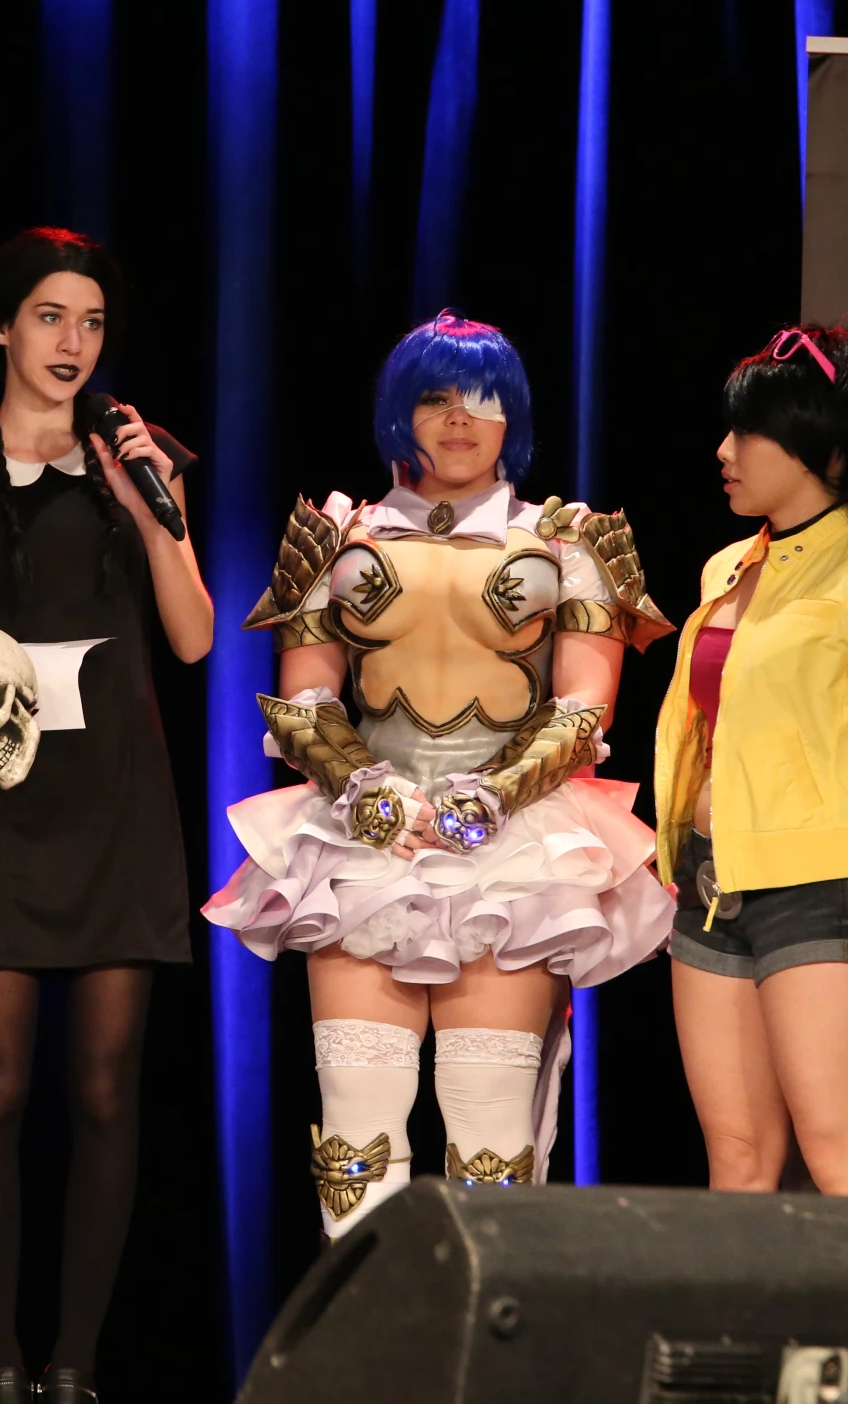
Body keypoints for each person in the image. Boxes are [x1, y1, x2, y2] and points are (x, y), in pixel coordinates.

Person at [205, 310, 674, 1237]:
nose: (461, 417)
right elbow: (301, 703)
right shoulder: (336, 536)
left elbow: (588, 707)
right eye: (435, 397)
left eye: (484, 398)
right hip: (359, 836)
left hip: (518, 842)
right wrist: (365, 790)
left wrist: (491, 794)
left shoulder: (569, 539)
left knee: (492, 1140)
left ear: (516, 417)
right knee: (355, 1134)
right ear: (398, 414)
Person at [0, 227, 213, 1404]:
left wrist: (148, 496)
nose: (71, 342)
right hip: (3, 798)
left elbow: (189, 636)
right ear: (2, 327)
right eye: (48, 317)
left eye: (88, 322)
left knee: (106, 1085)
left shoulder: (136, 458)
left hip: (119, 802)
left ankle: (75, 1361)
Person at [651, 324, 848, 1196]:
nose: (725, 451)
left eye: (748, 432)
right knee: (739, 1157)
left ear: (823, 449)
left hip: (823, 884)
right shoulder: (726, 568)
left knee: (842, 1158)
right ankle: (735, 1337)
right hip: (710, 882)